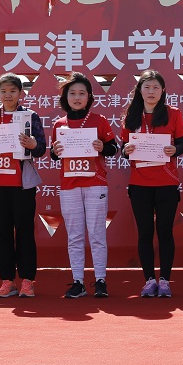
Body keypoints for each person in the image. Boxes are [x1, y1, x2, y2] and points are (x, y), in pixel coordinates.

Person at [0, 74, 48, 299]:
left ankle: (27, 281)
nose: (8, 95)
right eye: (3, 91)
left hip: (22, 184)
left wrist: (32, 144)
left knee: (24, 232)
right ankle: (7, 280)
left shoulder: (29, 116)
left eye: (13, 90)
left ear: (21, 93)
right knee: (0, 232)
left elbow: (41, 148)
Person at [48, 72, 120, 299]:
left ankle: (100, 280)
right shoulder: (59, 124)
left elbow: (113, 148)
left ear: (89, 97)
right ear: (66, 97)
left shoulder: (99, 120)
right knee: (75, 236)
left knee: (97, 234)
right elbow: (54, 155)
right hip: (69, 185)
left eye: (82, 93)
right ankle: (78, 281)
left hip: (95, 184)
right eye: (73, 93)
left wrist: (101, 147)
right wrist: (55, 151)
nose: (77, 97)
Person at [120, 69, 183, 297]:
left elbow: (182, 143)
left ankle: (165, 280)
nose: (151, 91)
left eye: (156, 87)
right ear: (139, 90)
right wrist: (126, 150)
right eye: (147, 87)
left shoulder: (173, 113)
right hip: (139, 184)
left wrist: (174, 149)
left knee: (165, 232)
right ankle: (149, 280)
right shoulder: (131, 115)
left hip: (166, 182)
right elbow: (123, 148)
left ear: (163, 90)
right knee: (145, 232)